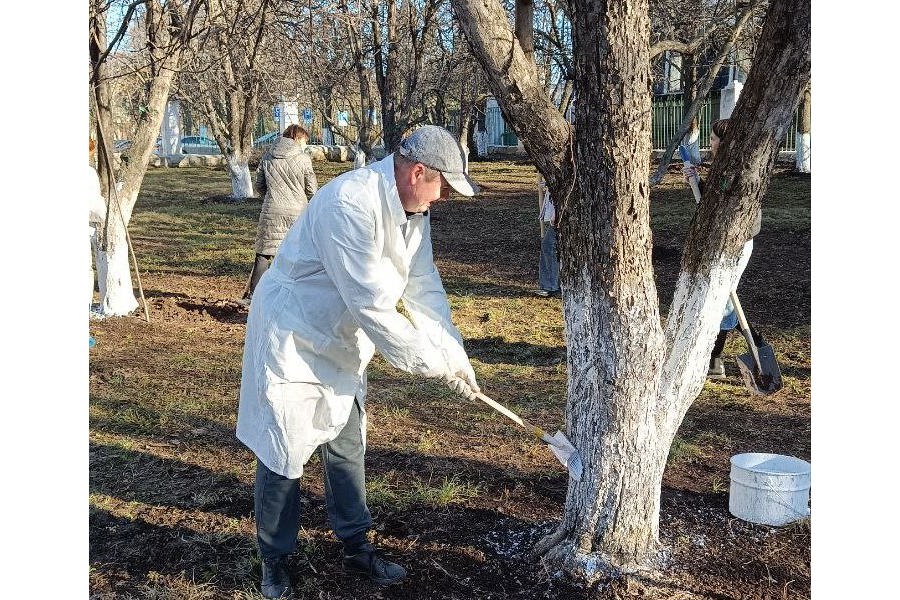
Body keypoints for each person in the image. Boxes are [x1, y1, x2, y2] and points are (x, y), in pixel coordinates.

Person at [236, 125, 482, 598]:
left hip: (341, 339)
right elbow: (373, 303)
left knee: (348, 442)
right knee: (283, 450)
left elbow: (423, 285)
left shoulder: (415, 210)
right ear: (416, 172)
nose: (445, 198)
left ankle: (355, 544)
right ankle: (275, 559)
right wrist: (431, 365)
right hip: (294, 336)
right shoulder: (351, 203)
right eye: (443, 186)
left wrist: (454, 353)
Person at [683, 118, 765, 379]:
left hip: (737, 243)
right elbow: (713, 200)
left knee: (725, 299)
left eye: (715, 138)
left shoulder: (737, 169)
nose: (711, 142)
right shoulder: (723, 167)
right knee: (725, 299)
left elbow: (727, 202)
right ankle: (717, 360)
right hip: (724, 241)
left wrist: (702, 186)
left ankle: (735, 354)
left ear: (727, 143)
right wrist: (695, 181)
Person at [241, 124, 318, 306]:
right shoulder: (303, 159)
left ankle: (254, 297)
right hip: (297, 212)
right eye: (304, 140)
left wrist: (271, 195)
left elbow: (259, 185)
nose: (305, 144)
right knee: (297, 254)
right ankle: (295, 296)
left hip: (271, 210)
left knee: (263, 254)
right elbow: (312, 189)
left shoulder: (268, 155)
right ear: (298, 138)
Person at [534, 177, 560, 297]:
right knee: (549, 245)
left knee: (549, 245)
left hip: (562, 213)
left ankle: (551, 286)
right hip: (559, 212)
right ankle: (553, 284)